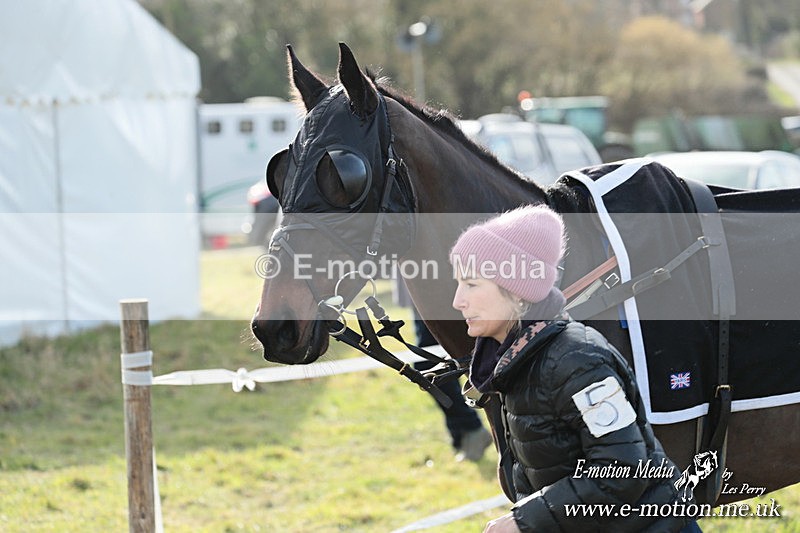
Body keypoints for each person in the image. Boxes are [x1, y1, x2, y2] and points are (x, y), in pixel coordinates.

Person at [449, 206, 695, 532]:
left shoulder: (577, 362)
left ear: (518, 293)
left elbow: (624, 469)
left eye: (471, 284)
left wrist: (524, 521)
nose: (457, 301)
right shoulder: (514, 359)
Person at [393, 278, 493, 461]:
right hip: (421, 282)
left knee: (432, 365)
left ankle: (470, 428)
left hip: (438, 283)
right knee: (438, 360)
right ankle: (463, 434)